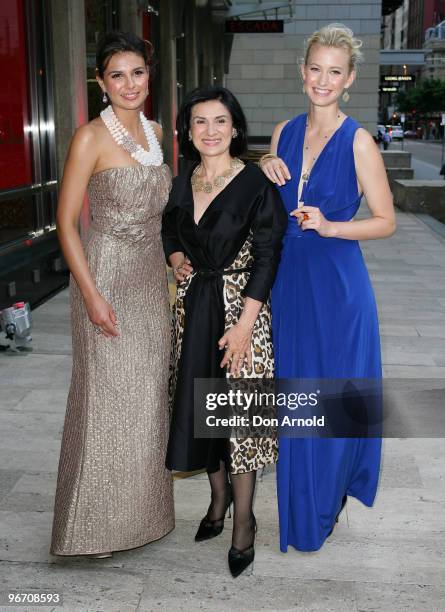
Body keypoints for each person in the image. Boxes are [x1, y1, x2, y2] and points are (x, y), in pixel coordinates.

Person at [260, 23, 395, 552]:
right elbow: (267, 213)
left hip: (339, 285)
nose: (323, 79)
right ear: (302, 71)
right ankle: (306, 502)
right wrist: (263, 172)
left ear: (349, 79)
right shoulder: (282, 133)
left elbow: (385, 220)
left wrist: (332, 225)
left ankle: (327, 497)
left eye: (334, 72)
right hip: (290, 281)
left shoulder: (359, 140)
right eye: (315, 68)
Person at [51, 32, 174, 557]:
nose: (129, 84)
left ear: (149, 77)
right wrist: (92, 295)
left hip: (150, 279)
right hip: (105, 275)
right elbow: (65, 222)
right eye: (117, 74)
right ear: (101, 82)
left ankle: (140, 519)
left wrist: (174, 260)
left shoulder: (156, 133)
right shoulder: (89, 138)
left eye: (138, 73)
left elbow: (162, 213)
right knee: (106, 400)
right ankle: (90, 529)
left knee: (147, 399)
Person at [162, 86, 287, 576]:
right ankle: (217, 504)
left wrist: (243, 328)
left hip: (241, 312)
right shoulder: (181, 182)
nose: (210, 131)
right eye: (199, 122)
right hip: (195, 311)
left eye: (219, 121)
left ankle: (244, 524)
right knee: (202, 408)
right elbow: (170, 231)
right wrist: (176, 260)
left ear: (235, 128)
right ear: (187, 132)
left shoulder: (256, 182)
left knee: (241, 419)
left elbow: (268, 255)